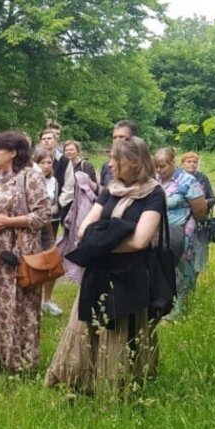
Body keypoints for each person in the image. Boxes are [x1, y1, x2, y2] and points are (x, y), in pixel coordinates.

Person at [47, 136, 166, 395]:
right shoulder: (110, 189)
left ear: (134, 162)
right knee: (86, 325)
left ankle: (117, 387)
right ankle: (80, 382)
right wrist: (110, 235)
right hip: (99, 269)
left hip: (129, 274)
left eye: (116, 158)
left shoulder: (154, 193)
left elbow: (140, 241)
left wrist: (99, 240)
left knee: (120, 328)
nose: (110, 164)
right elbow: (82, 229)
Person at [0, 131, 51, 372]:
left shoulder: (31, 177)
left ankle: (18, 361)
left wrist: (9, 221)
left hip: (18, 252)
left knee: (17, 304)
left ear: (13, 152)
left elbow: (44, 215)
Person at [154, 147, 207, 318]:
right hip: (158, 231)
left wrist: (189, 228)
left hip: (182, 230)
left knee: (181, 271)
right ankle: (161, 305)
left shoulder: (187, 181)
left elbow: (200, 210)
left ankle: (178, 309)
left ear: (173, 163)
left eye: (163, 166)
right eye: (156, 166)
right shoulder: (154, 180)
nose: (159, 170)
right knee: (161, 268)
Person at [33, 148, 63, 316]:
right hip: (32, 227)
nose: (45, 166)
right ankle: (34, 301)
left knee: (52, 262)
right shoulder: (29, 180)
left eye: (48, 162)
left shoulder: (54, 182)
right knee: (34, 263)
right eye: (41, 162)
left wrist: (49, 210)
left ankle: (47, 300)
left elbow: (56, 204)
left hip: (49, 226)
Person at [180, 152, 215, 278]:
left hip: (200, 222)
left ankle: (193, 282)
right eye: (189, 162)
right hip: (182, 222)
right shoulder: (177, 179)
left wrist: (201, 203)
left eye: (195, 162)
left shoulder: (202, 178)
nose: (192, 164)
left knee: (199, 254)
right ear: (182, 163)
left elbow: (212, 198)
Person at [99, 120, 137, 187]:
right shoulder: (107, 166)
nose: (117, 141)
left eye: (121, 137)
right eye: (114, 138)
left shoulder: (142, 168)